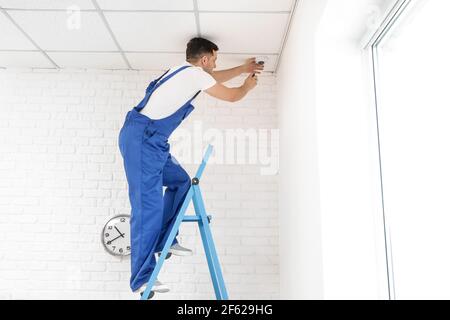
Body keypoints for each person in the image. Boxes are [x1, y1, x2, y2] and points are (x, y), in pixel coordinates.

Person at [118, 37, 264, 298]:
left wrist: (243, 69)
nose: (215, 65)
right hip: (143, 140)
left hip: (152, 141)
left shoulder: (183, 72)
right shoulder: (195, 76)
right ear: (205, 59)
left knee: (182, 181)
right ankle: (141, 279)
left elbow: (214, 77)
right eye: (214, 60)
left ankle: (164, 241)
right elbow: (230, 96)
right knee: (146, 207)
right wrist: (247, 86)